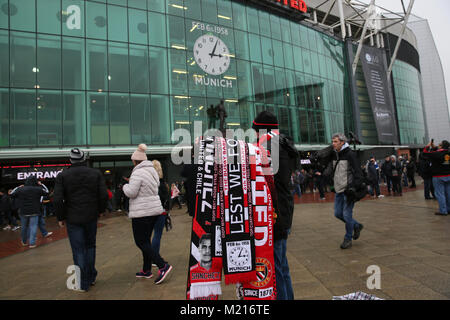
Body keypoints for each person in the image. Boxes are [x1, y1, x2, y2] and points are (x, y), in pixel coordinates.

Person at [252, 111, 299, 300]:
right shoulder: (281, 144)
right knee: (281, 265)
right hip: (283, 211)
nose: (254, 135)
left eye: (256, 131)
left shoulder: (268, 147)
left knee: (275, 267)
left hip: (274, 214)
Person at [54, 148, 108, 292]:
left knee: (78, 250)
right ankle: (90, 277)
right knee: (90, 246)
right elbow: (103, 195)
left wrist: (60, 217)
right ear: (84, 159)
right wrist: (101, 210)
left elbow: (58, 199)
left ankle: (82, 282)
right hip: (91, 215)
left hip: (73, 217)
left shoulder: (63, 176)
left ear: (70, 160)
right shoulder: (95, 173)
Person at [122, 144, 173, 284]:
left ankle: (162, 265)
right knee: (146, 241)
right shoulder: (152, 171)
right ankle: (146, 270)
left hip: (141, 212)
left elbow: (131, 192)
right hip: (154, 211)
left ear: (135, 161)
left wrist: (125, 186)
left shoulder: (137, 172)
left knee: (141, 241)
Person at [329, 133, 364, 250]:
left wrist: (354, 187)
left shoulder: (350, 154)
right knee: (337, 213)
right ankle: (357, 225)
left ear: (342, 142)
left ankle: (348, 238)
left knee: (346, 214)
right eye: (332, 141)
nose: (333, 144)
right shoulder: (335, 155)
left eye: (335, 141)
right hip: (338, 189)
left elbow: (358, 173)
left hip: (348, 190)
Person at [11, 177, 49, 248]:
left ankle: (24, 241)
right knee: (33, 226)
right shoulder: (38, 189)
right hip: (34, 211)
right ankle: (32, 243)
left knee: (24, 227)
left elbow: (11, 194)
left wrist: (17, 187)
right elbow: (47, 192)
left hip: (23, 211)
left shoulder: (21, 189)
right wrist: (41, 185)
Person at [423, 140, 450, 215]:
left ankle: (443, 211)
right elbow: (440, 153)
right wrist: (435, 147)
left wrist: (428, 146)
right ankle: (449, 209)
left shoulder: (437, 153)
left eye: (439, 145)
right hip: (448, 175)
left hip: (439, 176)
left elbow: (424, 153)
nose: (438, 145)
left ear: (441, 146)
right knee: (448, 193)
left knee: (440, 194)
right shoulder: (448, 153)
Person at [151, 160, 171, 260]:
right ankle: (155, 258)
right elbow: (164, 198)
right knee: (157, 235)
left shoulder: (148, 181)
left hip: (148, 211)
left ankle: (150, 259)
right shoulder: (161, 183)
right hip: (160, 210)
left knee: (148, 237)